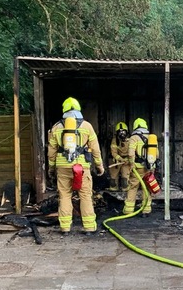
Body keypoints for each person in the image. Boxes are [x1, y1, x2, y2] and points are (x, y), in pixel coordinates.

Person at [47, 97, 104, 234]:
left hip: (63, 167)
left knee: (65, 196)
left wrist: (51, 169)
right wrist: (99, 165)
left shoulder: (56, 127)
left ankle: (65, 227)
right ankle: (89, 227)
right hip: (82, 167)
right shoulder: (87, 126)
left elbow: (51, 152)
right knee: (85, 196)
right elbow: (95, 149)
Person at [124, 118, 158, 217]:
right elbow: (157, 154)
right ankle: (146, 210)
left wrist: (131, 164)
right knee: (147, 188)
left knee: (133, 187)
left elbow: (131, 154)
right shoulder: (152, 138)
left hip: (137, 168)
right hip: (149, 167)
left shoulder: (134, 138)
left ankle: (128, 211)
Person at [108, 121, 131, 191]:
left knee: (125, 182)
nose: (122, 134)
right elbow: (114, 152)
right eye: (120, 132)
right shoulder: (115, 140)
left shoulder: (131, 140)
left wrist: (129, 159)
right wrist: (120, 159)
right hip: (116, 160)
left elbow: (133, 151)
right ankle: (114, 187)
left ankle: (125, 188)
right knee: (113, 181)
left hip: (127, 161)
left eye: (123, 131)